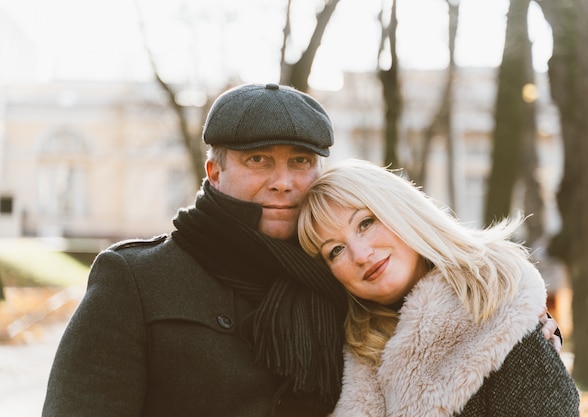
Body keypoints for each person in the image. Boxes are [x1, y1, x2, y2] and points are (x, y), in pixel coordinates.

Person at [42, 83, 561, 417]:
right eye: (259, 161)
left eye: (300, 161)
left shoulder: (345, 283)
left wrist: (516, 320)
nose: (284, 182)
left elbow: (445, 327)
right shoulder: (137, 280)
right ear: (215, 172)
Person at [297, 159, 580, 417]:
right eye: (335, 251)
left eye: (365, 223)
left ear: (400, 210)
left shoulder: (501, 316)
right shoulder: (341, 351)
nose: (360, 255)